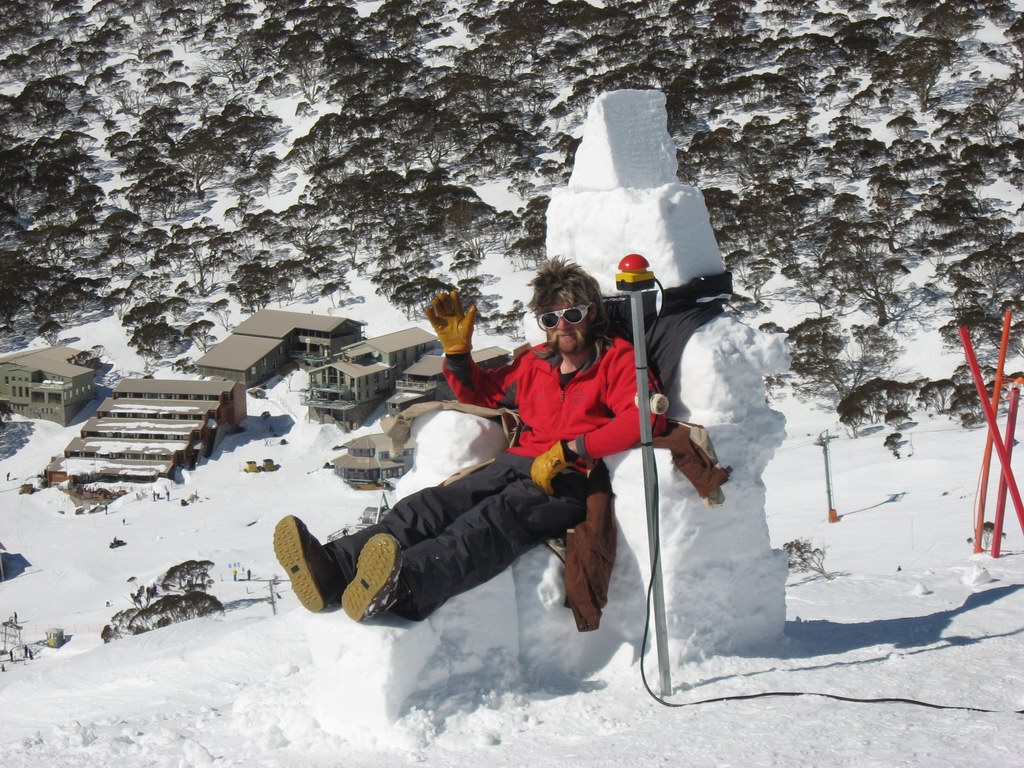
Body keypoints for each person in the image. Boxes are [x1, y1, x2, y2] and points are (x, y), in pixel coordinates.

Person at [274, 258, 660, 623]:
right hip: (516, 463)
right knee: (431, 505)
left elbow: (645, 417)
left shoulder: (617, 360)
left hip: (569, 479)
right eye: (550, 318)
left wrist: (573, 449)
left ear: (592, 313)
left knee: (493, 521)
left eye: (572, 315)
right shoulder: (536, 363)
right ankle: (335, 567)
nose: (562, 326)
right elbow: (483, 393)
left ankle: (404, 587)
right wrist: (458, 355)